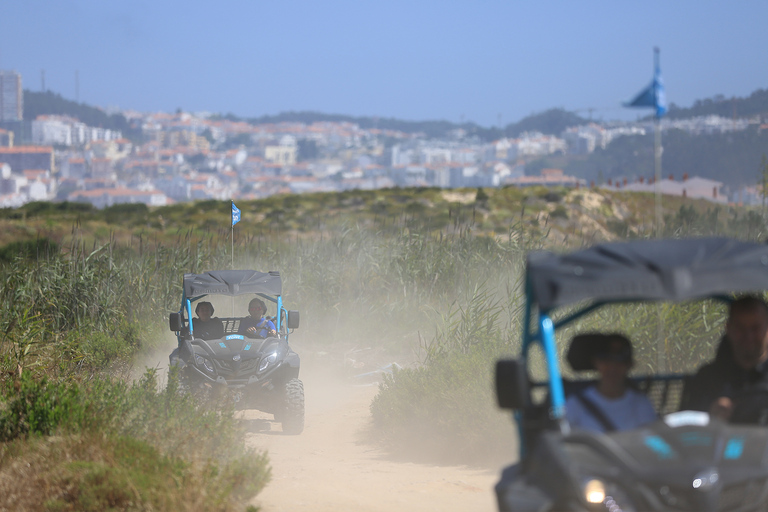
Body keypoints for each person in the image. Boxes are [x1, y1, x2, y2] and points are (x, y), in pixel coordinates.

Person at [680, 296, 768, 423]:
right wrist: (710, 416)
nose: (748, 336)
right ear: (728, 328)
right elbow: (685, 429)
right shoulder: (707, 379)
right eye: (740, 328)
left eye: (755, 328)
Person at [565, 334, 657, 433]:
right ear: (596, 363)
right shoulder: (575, 404)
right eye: (606, 361)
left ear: (629, 365)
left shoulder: (640, 403)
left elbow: (651, 440)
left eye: (619, 362)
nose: (612, 368)